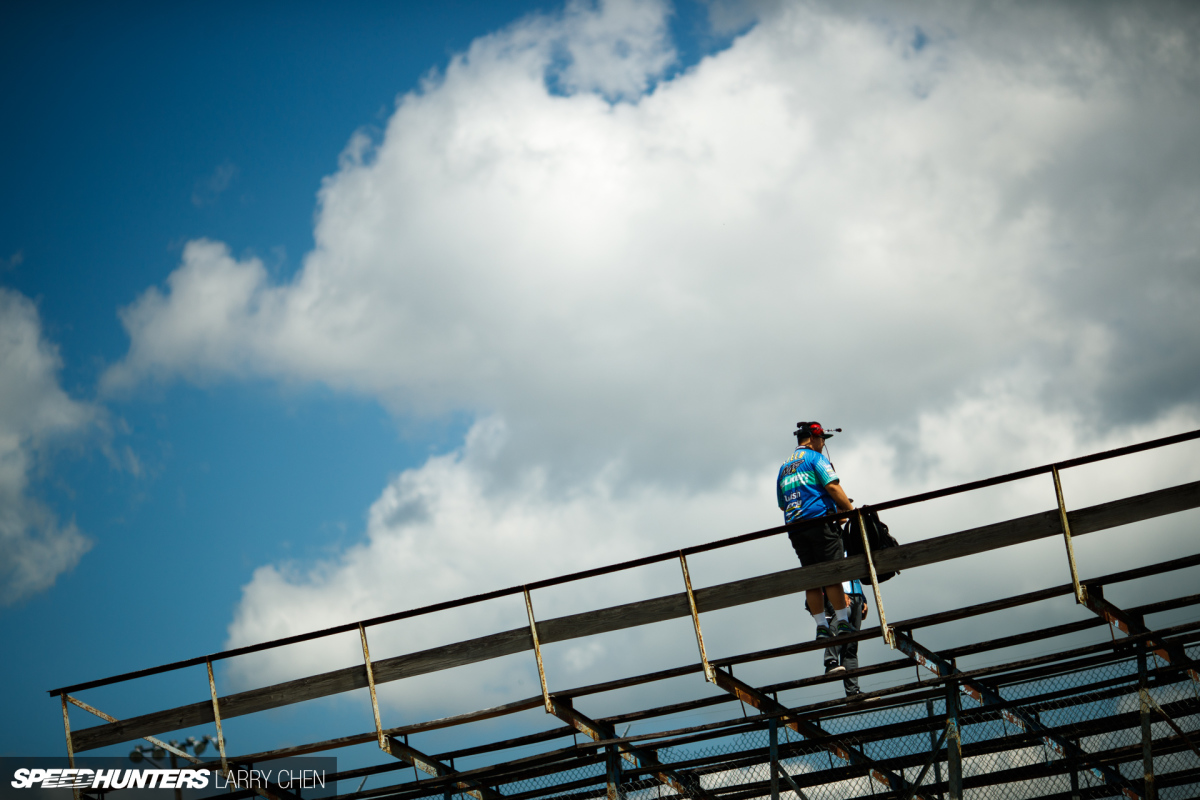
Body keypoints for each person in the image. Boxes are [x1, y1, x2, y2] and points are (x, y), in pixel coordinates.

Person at [777, 421, 856, 645]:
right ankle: (842, 622)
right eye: (822, 439)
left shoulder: (784, 466)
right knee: (831, 574)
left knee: (811, 577)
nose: (823, 444)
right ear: (813, 438)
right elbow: (832, 486)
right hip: (820, 524)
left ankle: (821, 627)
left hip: (795, 527)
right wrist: (851, 512)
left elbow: (783, 504)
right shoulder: (816, 459)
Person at [812, 579, 869, 697]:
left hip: (857, 595)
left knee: (851, 646)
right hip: (836, 591)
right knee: (840, 620)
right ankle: (830, 661)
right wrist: (839, 592)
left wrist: (863, 599)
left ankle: (853, 691)